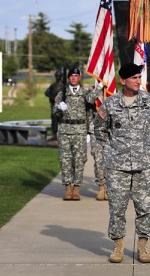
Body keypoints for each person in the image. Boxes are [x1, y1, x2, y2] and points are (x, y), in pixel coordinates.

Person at [93, 63, 150, 264]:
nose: (137, 81)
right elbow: (99, 129)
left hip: (145, 165)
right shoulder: (110, 103)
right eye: (133, 77)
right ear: (123, 80)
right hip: (117, 167)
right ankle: (118, 247)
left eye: (138, 77)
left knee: (145, 207)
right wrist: (111, 150)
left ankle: (143, 247)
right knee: (117, 208)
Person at [53, 67, 95, 201]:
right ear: (69, 78)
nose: (73, 78)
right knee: (65, 160)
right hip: (65, 129)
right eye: (71, 76)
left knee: (79, 159)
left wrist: (89, 131)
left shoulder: (85, 93)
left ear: (79, 78)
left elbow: (90, 108)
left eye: (76, 76)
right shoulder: (62, 94)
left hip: (80, 129)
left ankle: (77, 187)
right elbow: (55, 112)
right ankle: (67, 187)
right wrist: (59, 108)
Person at [45, 69, 63, 141]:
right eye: (57, 76)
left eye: (59, 76)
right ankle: (54, 135)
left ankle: (62, 135)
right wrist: (53, 97)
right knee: (54, 121)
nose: (58, 77)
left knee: (62, 121)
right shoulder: (53, 85)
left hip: (62, 107)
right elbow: (46, 93)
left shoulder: (64, 85)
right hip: (53, 106)